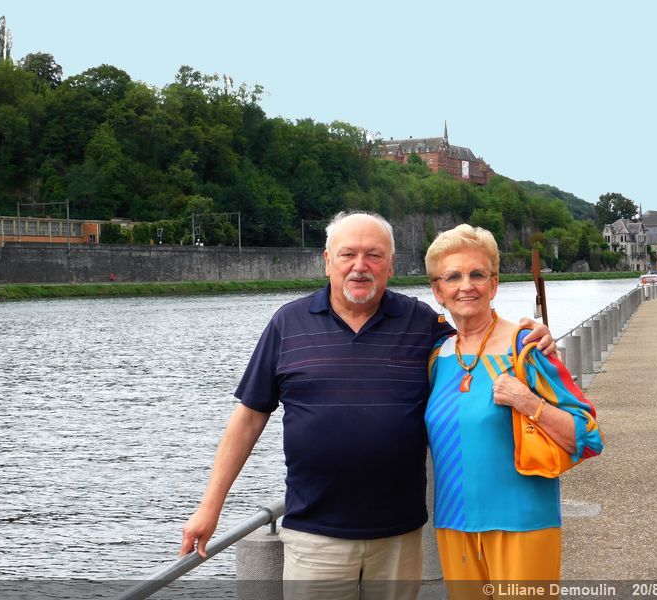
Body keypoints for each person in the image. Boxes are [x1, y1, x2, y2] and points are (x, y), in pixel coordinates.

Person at [180, 212, 557, 597]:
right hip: (314, 534)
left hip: (398, 536)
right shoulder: (287, 324)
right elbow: (248, 418)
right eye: (348, 254)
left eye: (374, 255)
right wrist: (210, 507)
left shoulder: (420, 322)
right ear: (327, 261)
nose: (360, 266)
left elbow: (476, 335)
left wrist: (530, 336)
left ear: (391, 265)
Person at [424, 224, 604, 596]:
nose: (466, 285)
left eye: (478, 274)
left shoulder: (527, 347)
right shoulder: (436, 358)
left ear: (494, 284)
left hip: (522, 521)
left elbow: (588, 435)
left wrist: (528, 402)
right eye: (453, 276)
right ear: (437, 290)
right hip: (454, 524)